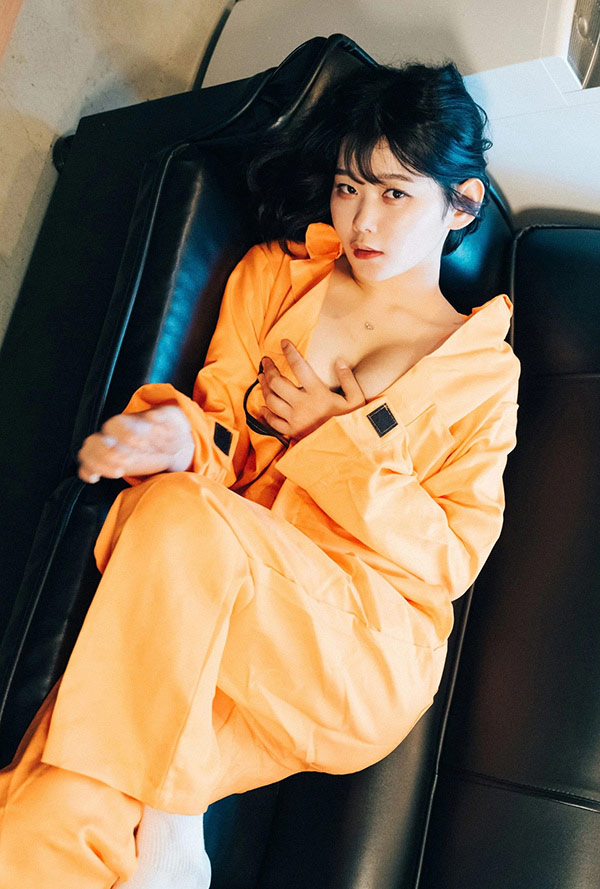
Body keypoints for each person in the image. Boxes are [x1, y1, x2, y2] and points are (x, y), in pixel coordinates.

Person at [0, 60, 520, 888]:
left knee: (176, 517)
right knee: (50, 807)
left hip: (356, 645)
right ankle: (168, 843)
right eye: (348, 188)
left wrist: (330, 438)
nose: (362, 221)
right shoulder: (276, 274)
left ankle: (172, 820)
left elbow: (451, 555)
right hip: (210, 599)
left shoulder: (481, 372)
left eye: (395, 193)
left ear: (460, 204)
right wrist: (175, 433)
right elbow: (220, 427)